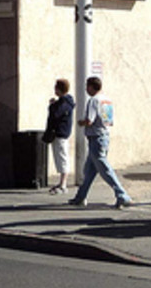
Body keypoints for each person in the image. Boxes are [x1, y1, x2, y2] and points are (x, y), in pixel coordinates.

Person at [68, 76, 134, 209]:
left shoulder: (93, 100)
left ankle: (122, 195)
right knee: (89, 170)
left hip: (96, 137)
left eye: (87, 86)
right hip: (104, 135)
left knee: (104, 169)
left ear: (92, 87)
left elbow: (89, 120)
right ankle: (80, 196)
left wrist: (81, 122)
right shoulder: (106, 100)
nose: (86, 89)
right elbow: (109, 120)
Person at [44, 78, 75, 193]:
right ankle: (62, 182)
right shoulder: (65, 102)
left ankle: (63, 184)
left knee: (62, 157)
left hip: (61, 134)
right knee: (60, 157)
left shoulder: (64, 102)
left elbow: (56, 114)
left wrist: (52, 105)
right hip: (60, 133)